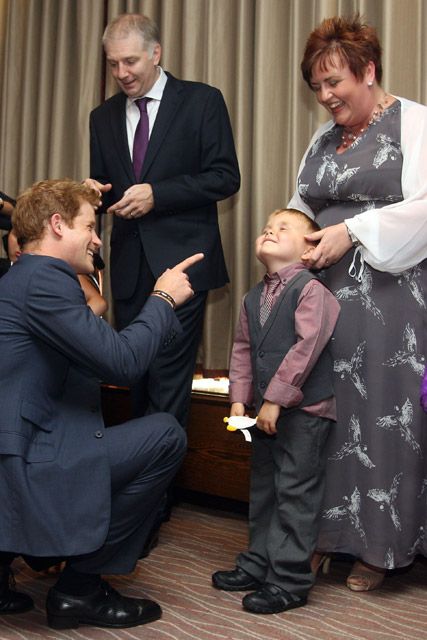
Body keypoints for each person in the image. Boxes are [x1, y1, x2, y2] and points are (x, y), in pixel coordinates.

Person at [0, 178, 203, 629]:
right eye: (90, 227)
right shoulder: (44, 282)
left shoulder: (24, 276)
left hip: (20, 450)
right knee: (165, 435)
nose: (96, 238)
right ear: (56, 225)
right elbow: (122, 361)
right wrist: (164, 298)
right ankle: (81, 588)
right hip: (26, 465)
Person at [288, 15, 427, 591]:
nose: (325, 97)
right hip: (324, 300)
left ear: (368, 71)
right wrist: (291, 232)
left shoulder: (415, 123)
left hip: (390, 299)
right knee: (329, 412)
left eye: (334, 83)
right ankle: (326, 535)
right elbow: (301, 197)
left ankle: (381, 546)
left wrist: (355, 231)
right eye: (316, 87)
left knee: (383, 416)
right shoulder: (323, 138)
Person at [87, 13, 240, 430]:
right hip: (131, 270)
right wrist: (90, 196)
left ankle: (159, 493)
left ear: (156, 53)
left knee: (168, 385)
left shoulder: (202, 101)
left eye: (131, 61)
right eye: (113, 63)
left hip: (183, 266)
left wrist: (159, 195)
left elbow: (226, 176)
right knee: (134, 378)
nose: (122, 73)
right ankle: (140, 486)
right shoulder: (101, 117)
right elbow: (107, 191)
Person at [212, 208, 340, 614]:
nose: (270, 230)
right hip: (264, 413)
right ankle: (258, 562)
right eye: (266, 227)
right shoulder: (253, 296)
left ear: (308, 250)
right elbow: (244, 350)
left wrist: (274, 399)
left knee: (294, 493)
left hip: (304, 412)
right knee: (264, 488)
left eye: (283, 227)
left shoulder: (312, 290)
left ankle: (289, 579)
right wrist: (239, 399)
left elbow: (308, 345)